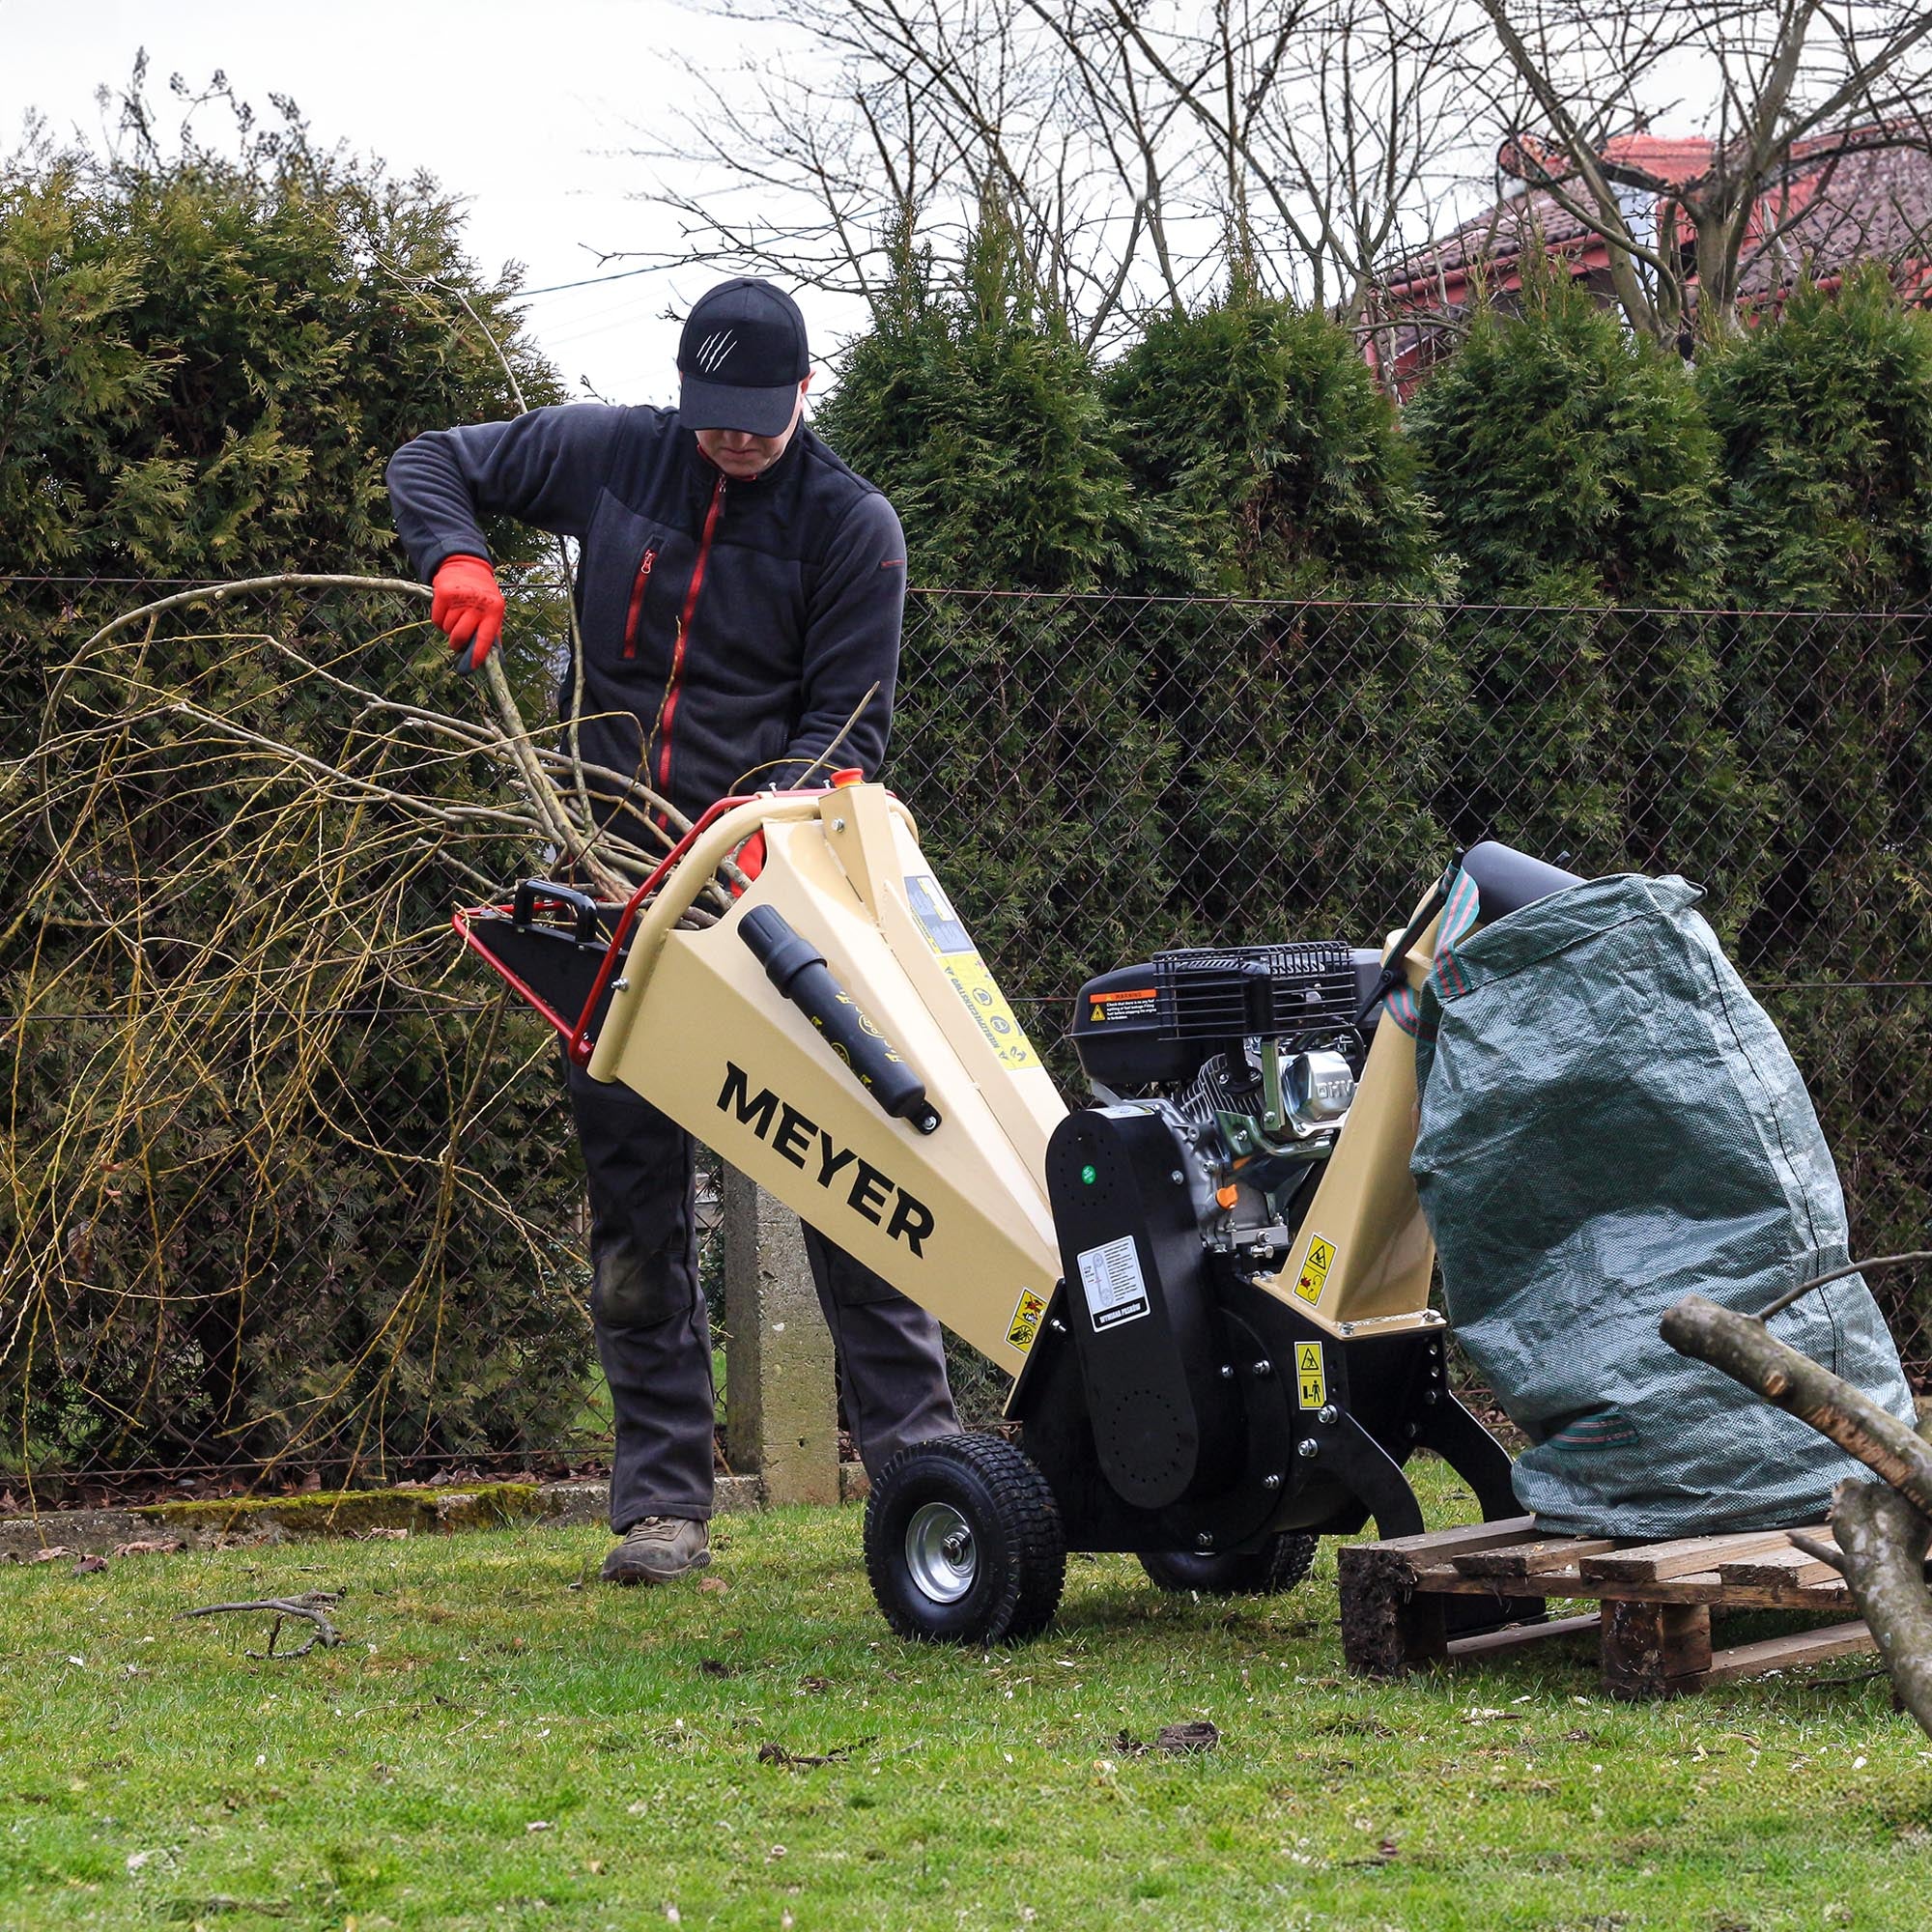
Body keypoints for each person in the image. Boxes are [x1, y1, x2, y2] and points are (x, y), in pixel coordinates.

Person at [386, 277, 959, 1585]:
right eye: (716, 417)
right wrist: (456, 554)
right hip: (602, 886)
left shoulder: (851, 526)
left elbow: (844, 738)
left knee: (856, 1181)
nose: (735, 440)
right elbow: (429, 463)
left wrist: (736, 840)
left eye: (758, 418)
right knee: (635, 1209)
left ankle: (925, 1470)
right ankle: (662, 1505)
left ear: (801, 394)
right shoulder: (613, 456)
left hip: (768, 902)